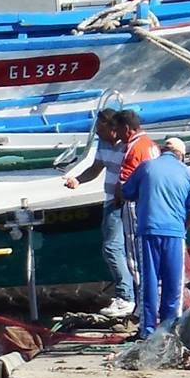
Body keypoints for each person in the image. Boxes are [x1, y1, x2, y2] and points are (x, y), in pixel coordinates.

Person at [121, 137, 190, 338]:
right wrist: (183, 226)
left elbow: (126, 192)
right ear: (181, 155)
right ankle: (170, 330)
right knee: (173, 283)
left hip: (148, 231)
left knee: (148, 282)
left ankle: (147, 331)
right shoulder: (186, 173)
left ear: (161, 150)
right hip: (174, 233)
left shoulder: (146, 167)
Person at [63, 109, 136, 318]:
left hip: (123, 202)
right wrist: (77, 179)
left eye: (100, 129)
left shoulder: (128, 145)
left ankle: (126, 296)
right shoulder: (104, 144)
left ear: (113, 129)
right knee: (114, 249)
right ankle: (128, 294)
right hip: (109, 201)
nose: (96, 134)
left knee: (113, 248)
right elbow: (96, 167)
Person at [113, 109, 161, 320]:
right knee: (151, 255)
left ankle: (143, 305)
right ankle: (153, 301)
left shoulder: (134, 147)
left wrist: (118, 198)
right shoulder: (152, 145)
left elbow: (125, 182)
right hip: (153, 204)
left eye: (119, 130)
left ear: (126, 128)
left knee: (135, 256)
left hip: (135, 204)